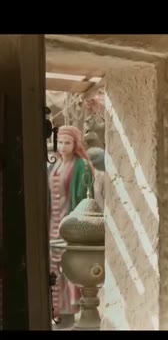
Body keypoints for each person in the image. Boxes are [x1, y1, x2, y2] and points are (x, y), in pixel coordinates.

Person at [47, 125, 95, 328]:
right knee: (52, 267)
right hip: (52, 221)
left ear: (75, 144)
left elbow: (85, 195)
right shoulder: (54, 164)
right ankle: (56, 310)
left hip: (69, 221)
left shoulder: (81, 165)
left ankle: (69, 311)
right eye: (60, 142)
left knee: (68, 265)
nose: (63, 146)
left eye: (67, 142)